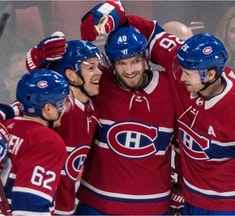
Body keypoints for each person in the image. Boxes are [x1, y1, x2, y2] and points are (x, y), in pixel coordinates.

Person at [97, 8, 235, 214]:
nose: (180, 79)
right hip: (195, 202)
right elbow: (152, 32)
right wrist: (119, 17)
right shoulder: (182, 63)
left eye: (188, 74)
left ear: (209, 75)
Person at [74, 1, 177, 214]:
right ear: (111, 64)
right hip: (97, 206)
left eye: (134, 61)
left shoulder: (170, 87)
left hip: (153, 208)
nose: (129, 70)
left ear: (146, 58)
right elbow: (47, 98)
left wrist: (126, 18)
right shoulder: (99, 83)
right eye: (121, 63)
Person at [0, 34, 104, 214]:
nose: (99, 72)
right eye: (90, 67)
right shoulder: (51, 113)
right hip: (44, 205)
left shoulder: (92, 105)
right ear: (71, 74)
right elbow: (30, 206)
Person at [0, 69, 70, 215]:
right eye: (62, 102)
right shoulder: (48, 141)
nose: (66, 108)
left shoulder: (5, 125)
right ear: (48, 108)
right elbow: (30, 208)